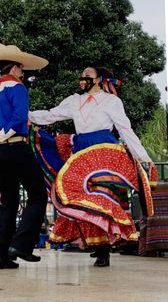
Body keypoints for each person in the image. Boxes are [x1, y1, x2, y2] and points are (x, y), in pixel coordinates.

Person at [29, 66, 155, 267]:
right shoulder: (74, 100)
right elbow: (50, 115)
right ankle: (98, 245)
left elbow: (125, 129)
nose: (82, 78)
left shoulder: (112, 101)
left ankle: (104, 249)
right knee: (85, 199)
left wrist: (143, 157)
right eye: (81, 75)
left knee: (103, 197)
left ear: (98, 80)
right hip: (81, 153)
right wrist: (24, 116)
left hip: (105, 153)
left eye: (87, 75)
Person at [0, 40, 49, 269]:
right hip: (16, 147)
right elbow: (19, 118)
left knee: (9, 202)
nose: (23, 73)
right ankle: (21, 245)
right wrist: (5, 134)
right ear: (15, 69)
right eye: (21, 69)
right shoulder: (17, 88)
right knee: (38, 194)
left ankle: (1, 255)